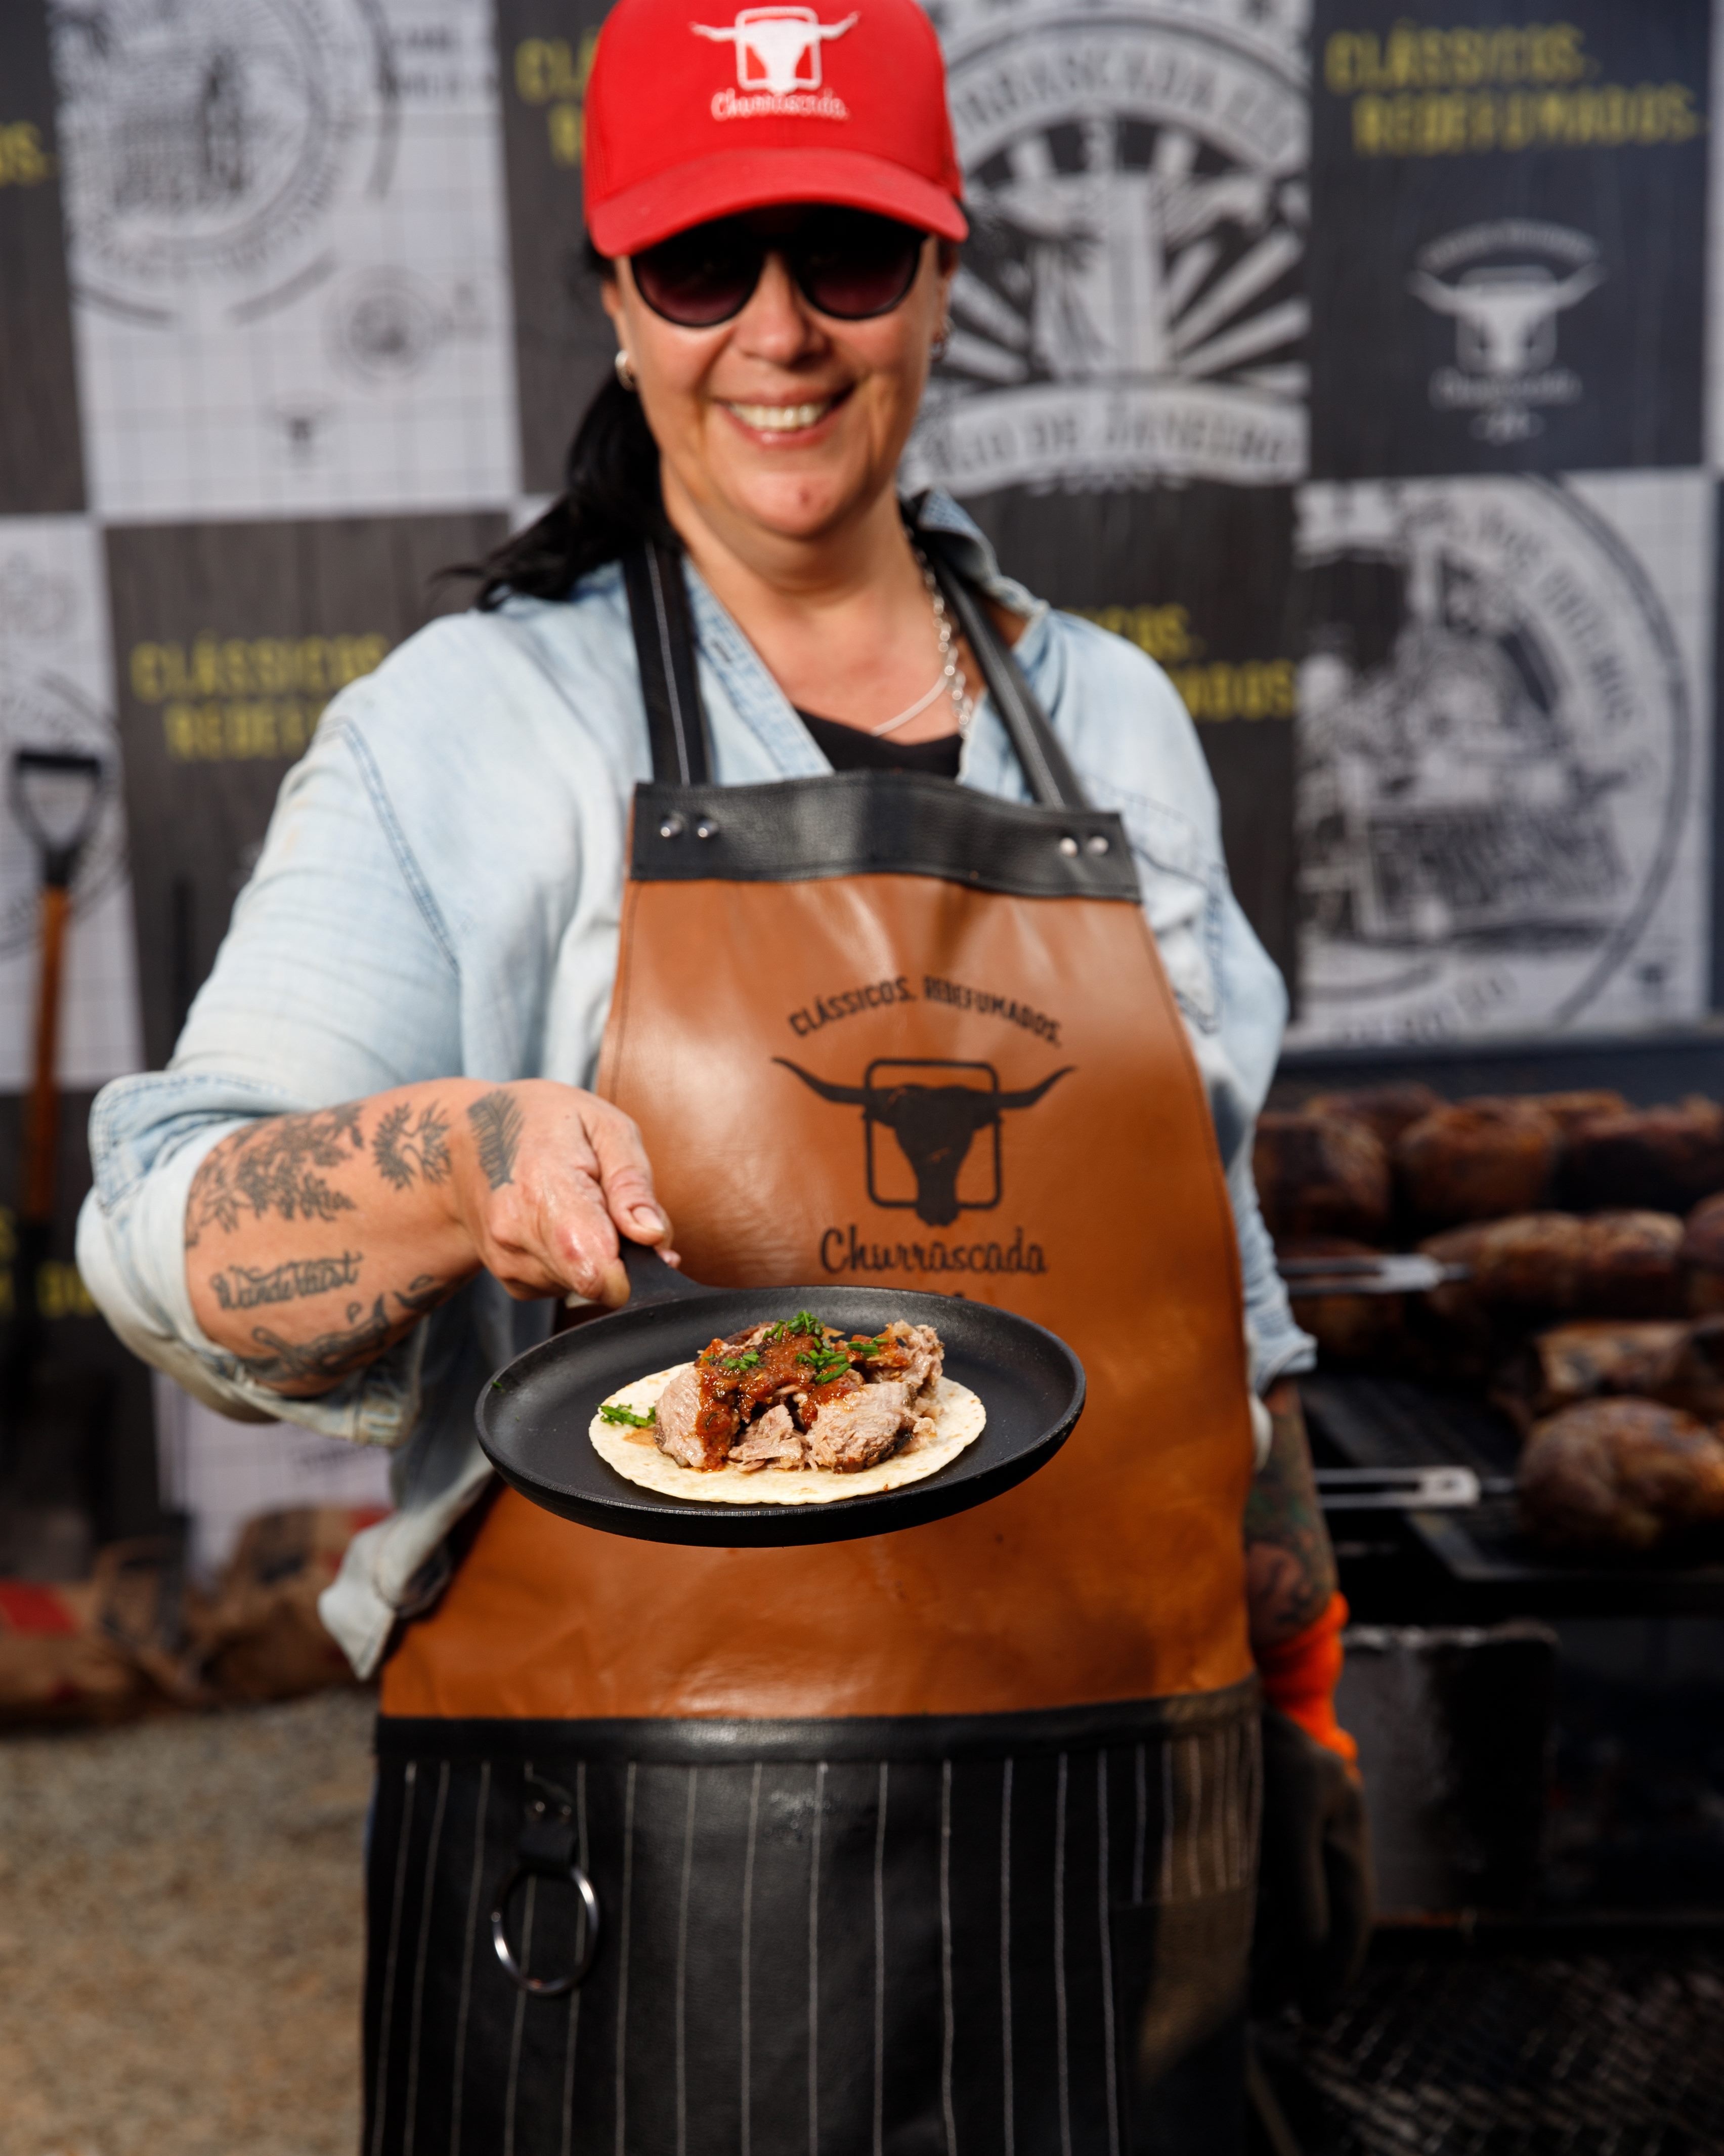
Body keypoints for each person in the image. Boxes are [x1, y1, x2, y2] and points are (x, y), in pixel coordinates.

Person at [79, 0, 1368, 2144]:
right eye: (703, 266)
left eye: (846, 257)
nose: (779, 334)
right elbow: (165, 1241)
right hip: (660, 1894)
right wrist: (454, 1158)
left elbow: (1215, 1288)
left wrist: (1308, 1693)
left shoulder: (1117, 721)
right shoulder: (474, 733)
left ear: (944, 269)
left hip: (1137, 1849)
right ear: (614, 293)